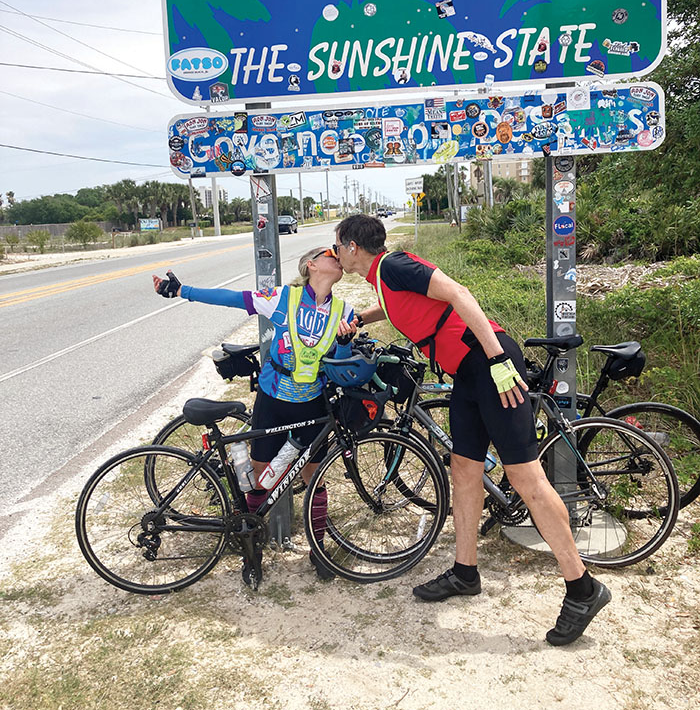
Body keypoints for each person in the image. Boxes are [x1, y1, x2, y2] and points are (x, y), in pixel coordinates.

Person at [333, 215, 610, 646]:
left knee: (526, 477)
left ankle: (583, 589)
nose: (336, 254)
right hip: (467, 373)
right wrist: (362, 320)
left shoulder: (393, 266)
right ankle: (465, 572)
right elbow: (401, 305)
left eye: (337, 246)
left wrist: (498, 359)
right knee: (464, 470)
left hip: (489, 365)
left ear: (353, 247)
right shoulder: (383, 277)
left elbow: (458, 293)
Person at [153, 245, 356, 582]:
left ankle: (318, 550)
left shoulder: (343, 310)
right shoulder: (282, 298)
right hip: (273, 399)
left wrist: (346, 342)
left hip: (312, 402)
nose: (337, 256)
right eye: (330, 253)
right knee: (261, 480)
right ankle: (253, 549)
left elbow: (340, 357)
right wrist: (182, 290)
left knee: (314, 478)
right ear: (312, 265)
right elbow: (231, 298)